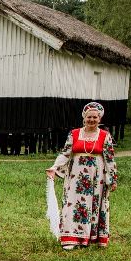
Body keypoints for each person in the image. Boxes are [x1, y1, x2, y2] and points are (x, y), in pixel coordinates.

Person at [46, 102, 118, 250]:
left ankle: (89, 238)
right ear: (84, 118)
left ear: (99, 119)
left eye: (95, 117)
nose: (92, 120)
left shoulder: (105, 136)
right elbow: (65, 153)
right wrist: (54, 167)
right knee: (72, 204)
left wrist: (112, 179)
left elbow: (110, 159)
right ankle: (71, 238)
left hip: (96, 179)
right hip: (75, 177)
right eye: (89, 117)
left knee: (92, 205)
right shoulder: (74, 134)